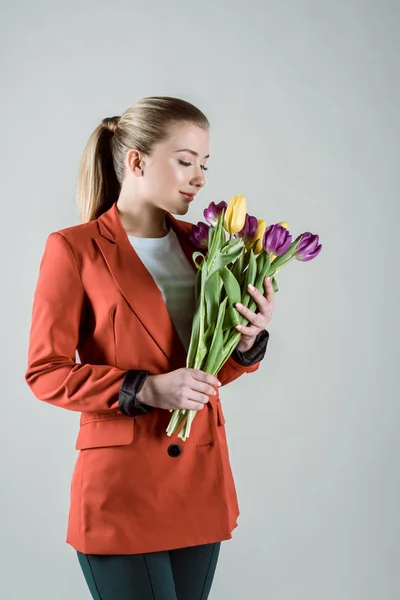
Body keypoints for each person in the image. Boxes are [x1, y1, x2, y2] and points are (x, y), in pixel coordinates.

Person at [25, 96, 273, 600]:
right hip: (122, 489)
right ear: (136, 161)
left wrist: (245, 345)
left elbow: (202, 374)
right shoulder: (74, 248)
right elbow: (45, 372)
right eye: (185, 161)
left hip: (198, 482)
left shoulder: (206, 248)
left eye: (204, 164)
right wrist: (147, 388)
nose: (200, 177)